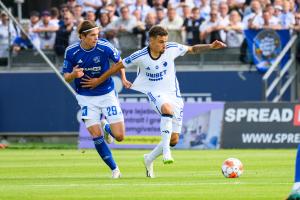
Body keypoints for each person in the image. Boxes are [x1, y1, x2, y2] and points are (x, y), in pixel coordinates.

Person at [80, 25, 226, 178]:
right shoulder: (140, 55)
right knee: (167, 110)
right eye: (161, 42)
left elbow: (193, 49)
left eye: (165, 41)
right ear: (151, 41)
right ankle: (166, 153)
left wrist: (210, 46)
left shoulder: (172, 48)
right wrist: (99, 80)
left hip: (174, 94)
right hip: (154, 92)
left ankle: (149, 158)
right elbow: (117, 66)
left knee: (174, 139)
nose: (164, 45)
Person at [62, 20, 130, 178]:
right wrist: (73, 75)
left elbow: (120, 63)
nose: (96, 38)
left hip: (107, 94)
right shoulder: (71, 51)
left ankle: (107, 128)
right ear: (82, 36)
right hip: (85, 97)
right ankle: (115, 170)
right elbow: (66, 77)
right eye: (92, 35)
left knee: (119, 137)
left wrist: (124, 79)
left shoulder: (104, 47)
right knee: (95, 135)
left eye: (97, 35)